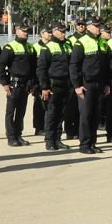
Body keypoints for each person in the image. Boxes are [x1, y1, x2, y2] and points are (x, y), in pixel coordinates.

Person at [69, 16, 111, 154]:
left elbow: (106, 66)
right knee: (86, 115)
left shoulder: (103, 43)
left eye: (99, 25)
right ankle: (85, 144)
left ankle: (92, 143)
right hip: (86, 84)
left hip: (99, 84)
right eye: (95, 25)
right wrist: (77, 86)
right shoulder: (81, 43)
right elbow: (74, 66)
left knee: (95, 115)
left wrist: (106, 84)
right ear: (88, 27)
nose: (98, 28)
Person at [0, 23, 37, 146]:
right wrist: (4, 83)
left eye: (27, 31)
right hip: (14, 83)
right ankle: (11, 136)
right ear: (17, 31)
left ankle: (18, 134)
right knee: (11, 111)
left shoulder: (30, 47)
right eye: (24, 31)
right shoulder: (10, 47)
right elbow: (1, 66)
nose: (26, 33)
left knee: (21, 111)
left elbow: (34, 67)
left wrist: (33, 83)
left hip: (26, 84)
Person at [37, 22, 73, 151]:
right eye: (61, 31)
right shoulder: (48, 47)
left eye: (65, 31)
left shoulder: (68, 45)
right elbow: (41, 69)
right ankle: (49, 140)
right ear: (54, 31)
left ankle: (58, 139)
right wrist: (44, 87)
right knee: (51, 114)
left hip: (66, 85)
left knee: (61, 114)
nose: (64, 34)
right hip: (52, 86)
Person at [31, 25, 52, 135]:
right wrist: (33, 83)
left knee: (50, 105)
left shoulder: (52, 46)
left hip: (50, 80)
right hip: (38, 81)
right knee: (39, 105)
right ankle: (39, 127)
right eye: (48, 32)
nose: (50, 34)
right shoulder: (34, 47)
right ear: (42, 34)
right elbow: (32, 66)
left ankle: (48, 126)